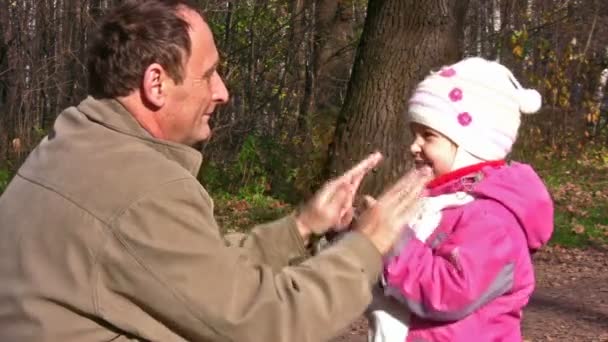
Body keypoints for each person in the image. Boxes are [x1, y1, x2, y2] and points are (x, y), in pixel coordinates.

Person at [0, 1, 432, 341]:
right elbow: (265, 322)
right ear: (156, 84)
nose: (222, 91)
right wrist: (367, 246)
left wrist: (300, 227)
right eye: (208, 75)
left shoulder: (77, 144)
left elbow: (186, 275)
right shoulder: (144, 189)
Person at [367, 57, 555, 341]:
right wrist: (357, 235)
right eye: (413, 134)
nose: (413, 146)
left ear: (472, 143)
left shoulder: (492, 219)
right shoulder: (439, 203)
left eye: (428, 136)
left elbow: (450, 291)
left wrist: (390, 240)